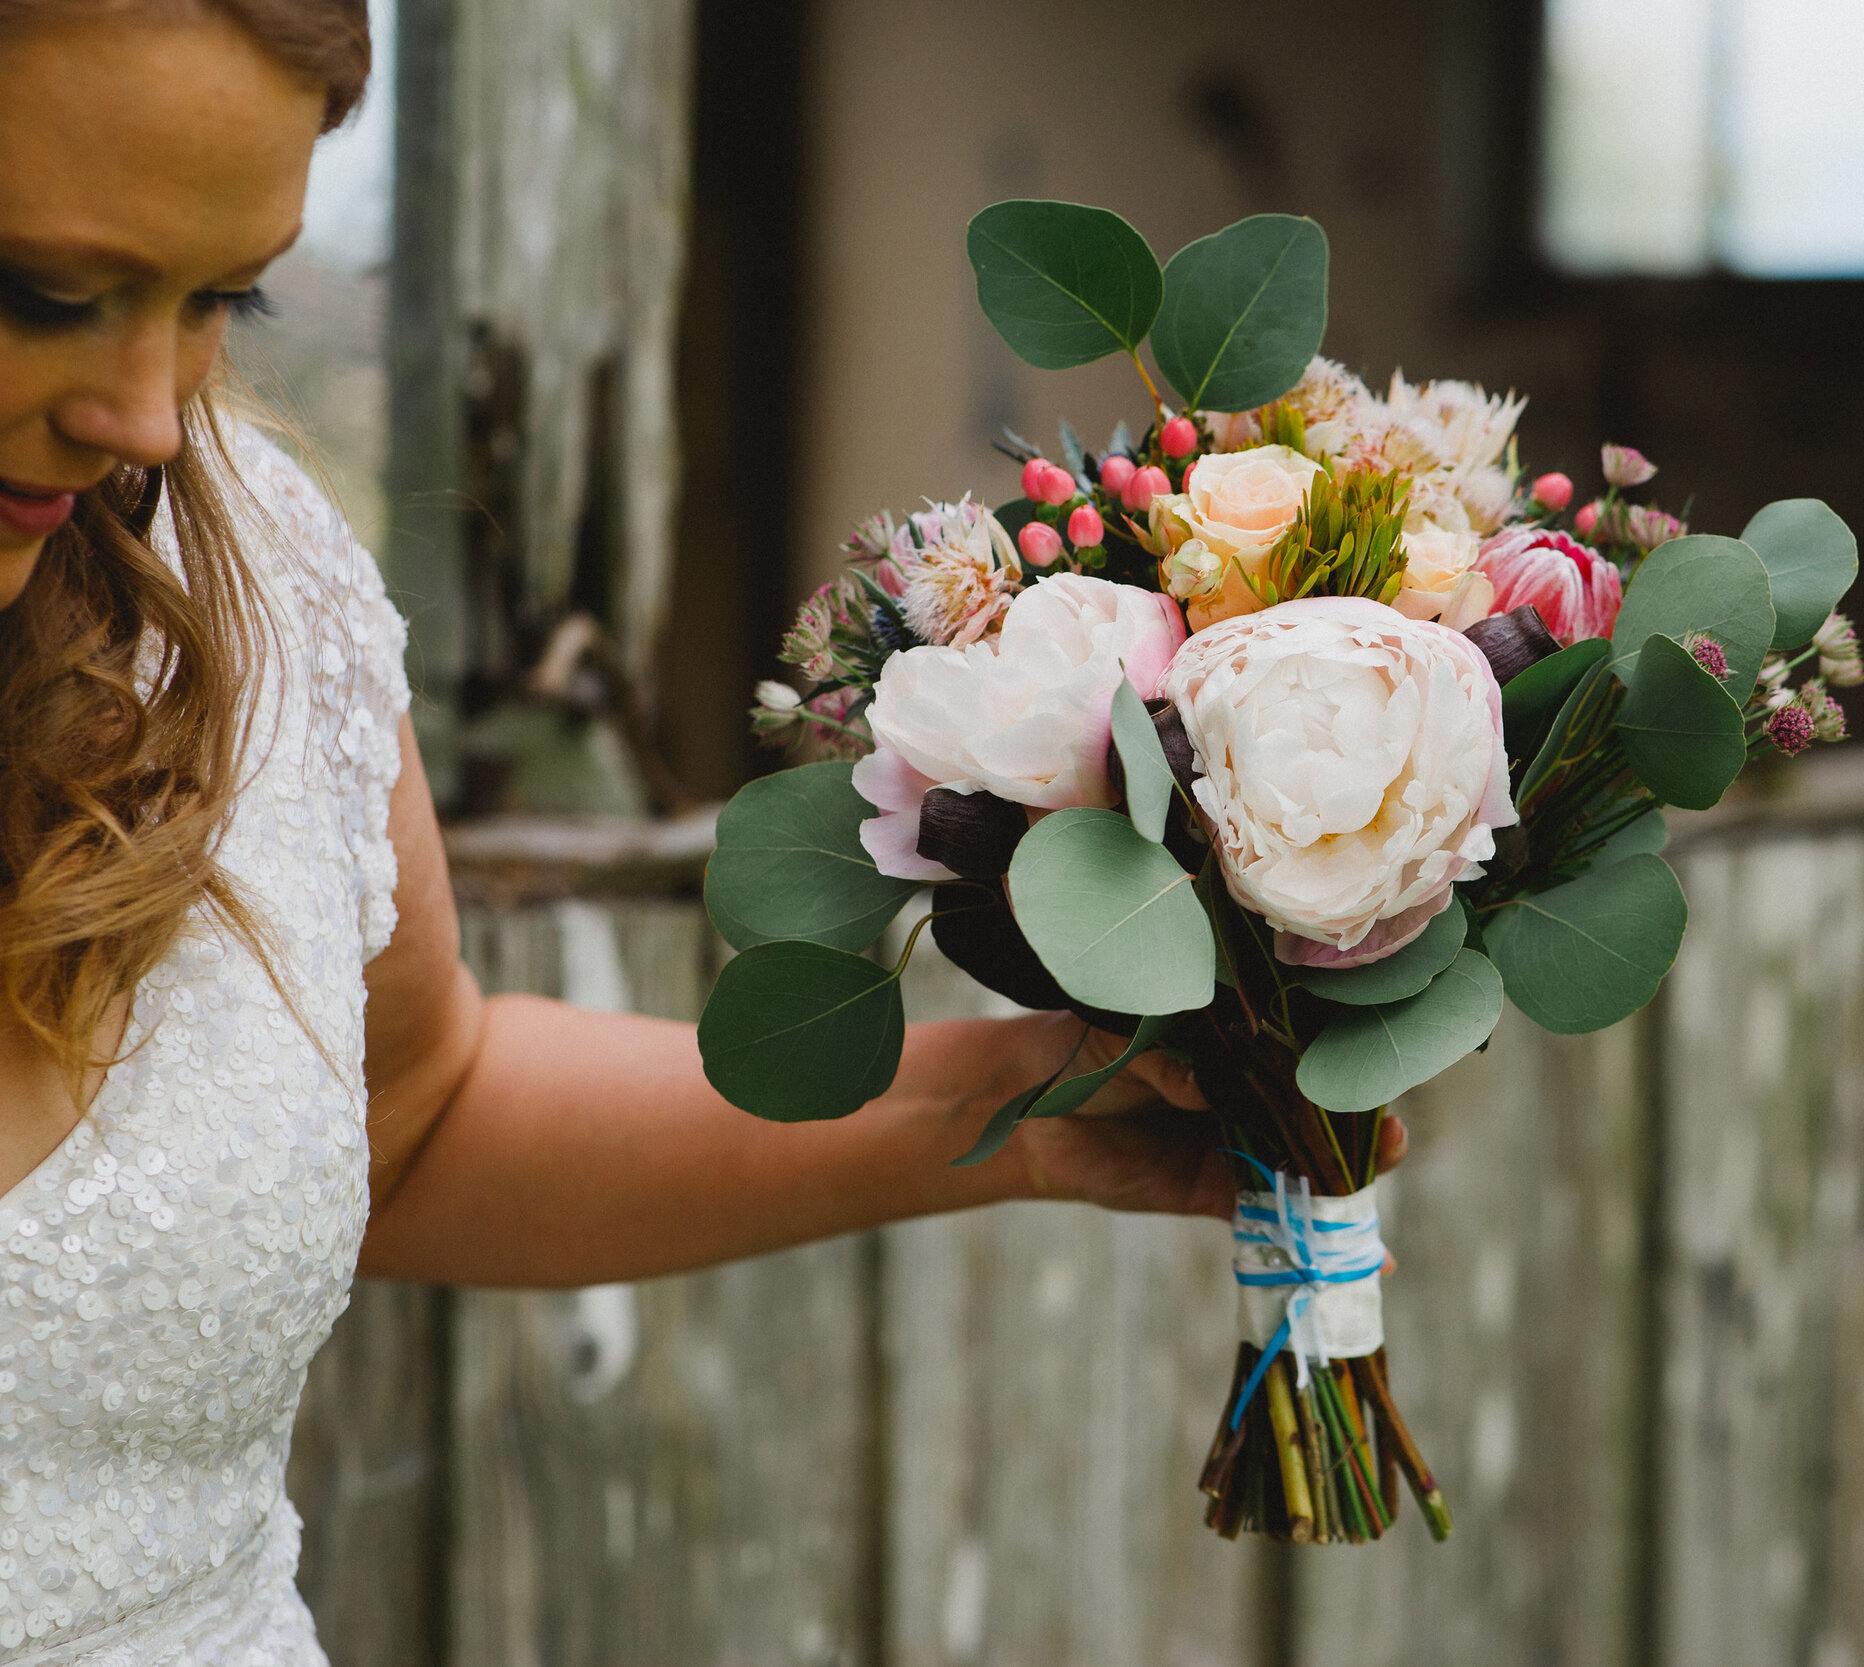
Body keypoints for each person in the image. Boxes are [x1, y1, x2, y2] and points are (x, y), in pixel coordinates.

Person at [0, 3, 1409, 1657]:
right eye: (50, 296)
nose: (153, 418)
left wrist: (996, 1102)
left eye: (220, 298)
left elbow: (422, 1113)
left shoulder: (248, 594)